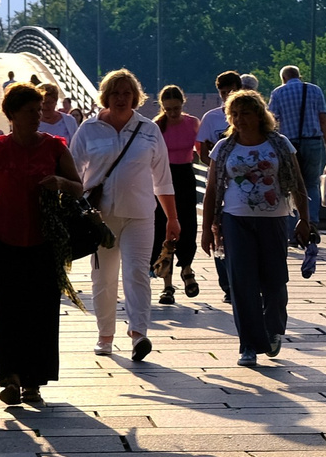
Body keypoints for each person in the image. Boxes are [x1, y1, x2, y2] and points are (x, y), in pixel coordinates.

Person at [0, 82, 80, 407]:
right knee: (8, 310)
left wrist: (61, 182)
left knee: (41, 311)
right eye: (30, 111)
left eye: (39, 110)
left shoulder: (55, 147)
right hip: (2, 240)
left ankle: (34, 382)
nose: (38, 116)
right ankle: (11, 378)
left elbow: (79, 187)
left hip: (44, 242)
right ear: (12, 114)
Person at [71, 70, 177, 360]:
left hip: (139, 215)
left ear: (135, 97)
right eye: (115, 93)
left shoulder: (148, 129)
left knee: (137, 273)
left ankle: (138, 333)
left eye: (126, 93)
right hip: (99, 218)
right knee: (103, 278)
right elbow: (73, 172)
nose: (121, 98)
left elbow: (162, 179)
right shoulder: (89, 129)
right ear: (106, 96)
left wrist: (172, 218)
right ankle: (105, 335)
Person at [202, 90, 311, 368]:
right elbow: (212, 189)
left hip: (274, 219)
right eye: (234, 114)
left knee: (275, 280)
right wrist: (206, 229)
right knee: (242, 283)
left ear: (260, 115)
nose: (239, 119)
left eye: (246, 113)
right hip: (235, 219)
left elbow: (297, 182)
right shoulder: (224, 147)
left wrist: (305, 219)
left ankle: (273, 330)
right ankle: (248, 344)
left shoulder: (280, 144)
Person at [266, 65, 326, 275]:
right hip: (312, 142)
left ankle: (291, 231)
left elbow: (271, 121)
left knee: (289, 187)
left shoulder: (278, 92)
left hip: (288, 144)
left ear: (283, 78)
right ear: (299, 76)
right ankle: (310, 223)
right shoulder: (314, 90)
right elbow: (324, 120)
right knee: (311, 183)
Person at [153, 84, 202, 303]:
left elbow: (201, 152)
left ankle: (187, 268)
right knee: (165, 227)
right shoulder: (157, 126)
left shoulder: (192, 123)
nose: (172, 113)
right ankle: (167, 284)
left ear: (183, 104)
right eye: (168, 109)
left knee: (188, 225)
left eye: (176, 108)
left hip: (185, 176)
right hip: (163, 178)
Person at [196, 71, 242, 296]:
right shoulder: (212, 118)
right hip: (220, 182)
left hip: (245, 185)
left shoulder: (252, 116)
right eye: (223, 93)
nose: (227, 97)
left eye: (231, 92)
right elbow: (202, 152)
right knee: (218, 231)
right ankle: (227, 285)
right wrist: (218, 166)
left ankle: (244, 282)